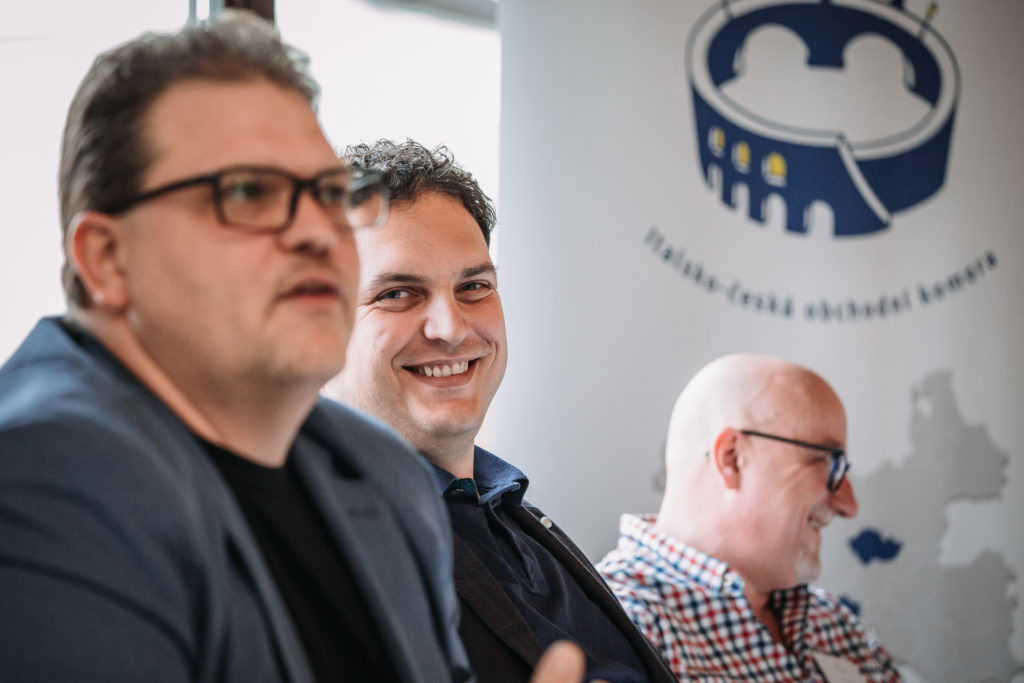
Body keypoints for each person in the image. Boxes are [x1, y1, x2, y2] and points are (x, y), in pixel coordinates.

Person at [0, 13, 476, 682]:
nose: (317, 232)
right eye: (249, 192)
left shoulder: (383, 472)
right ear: (108, 258)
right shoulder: (42, 476)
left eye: (329, 195)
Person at [333, 139, 676, 683]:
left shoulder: (508, 511)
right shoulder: (309, 549)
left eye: (474, 286)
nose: (451, 328)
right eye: (397, 293)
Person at [597, 353, 903, 681]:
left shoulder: (834, 624)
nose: (849, 505)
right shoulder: (612, 622)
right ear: (732, 457)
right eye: (826, 461)